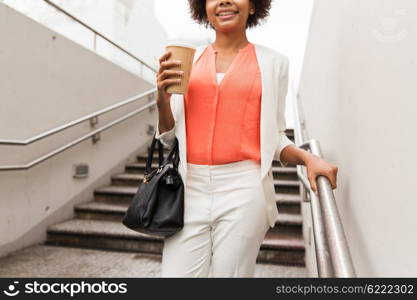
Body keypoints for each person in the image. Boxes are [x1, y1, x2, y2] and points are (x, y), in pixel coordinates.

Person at [155, 0, 338, 277]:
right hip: (188, 187)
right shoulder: (188, 60)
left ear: (253, 6)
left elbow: (275, 139)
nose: (225, 1)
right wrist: (162, 100)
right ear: (204, 8)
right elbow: (169, 140)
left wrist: (307, 157)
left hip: (243, 187)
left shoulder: (274, 63)